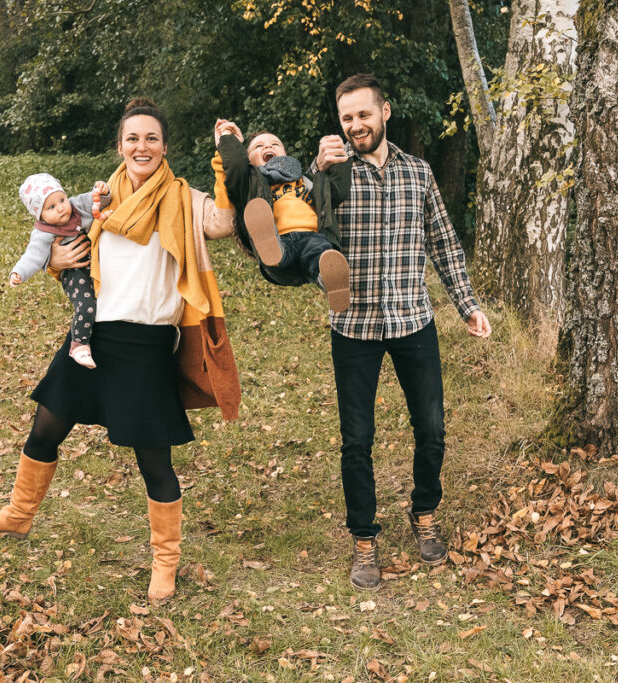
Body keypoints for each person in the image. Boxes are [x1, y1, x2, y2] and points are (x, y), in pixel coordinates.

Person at [0, 99, 240, 603]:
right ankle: (19, 515)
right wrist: (53, 259)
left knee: (154, 459)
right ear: (120, 146)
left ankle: (165, 562)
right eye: (132, 138)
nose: (142, 146)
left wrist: (227, 161)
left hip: (146, 343)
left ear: (164, 146)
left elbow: (223, 223)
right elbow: (67, 249)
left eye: (151, 138)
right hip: (92, 336)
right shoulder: (98, 197)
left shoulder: (183, 197)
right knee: (47, 424)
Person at [313, 74, 492, 590]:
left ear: (384, 112)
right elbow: (298, 223)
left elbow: (443, 241)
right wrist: (316, 174)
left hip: (413, 319)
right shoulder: (331, 174)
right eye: (346, 118)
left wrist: (467, 305)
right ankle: (365, 540)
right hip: (353, 325)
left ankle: (425, 512)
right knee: (357, 440)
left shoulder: (418, 173)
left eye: (363, 115)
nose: (355, 126)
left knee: (432, 429)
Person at [211, 119, 352, 312]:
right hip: (278, 243)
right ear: (249, 160)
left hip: (312, 237)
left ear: (285, 154)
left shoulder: (306, 181)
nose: (268, 146)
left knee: (321, 255)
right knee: (277, 249)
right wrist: (228, 138)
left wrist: (339, 157)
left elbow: (336, 192)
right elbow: (235, 164)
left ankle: (330, 281)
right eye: (258, 146)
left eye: (275, 144)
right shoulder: (249, 183)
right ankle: (271, 247)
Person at [10, 174, 112, 369]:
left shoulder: (76, 206)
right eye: (51, 207)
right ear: (39, 215)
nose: (61, 208)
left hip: (95, 264)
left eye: (62, 200)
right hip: (73, 274)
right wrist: (19, 272)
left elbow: (99, 200)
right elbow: (33, 255)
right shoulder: (44, 232)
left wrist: (103, 191)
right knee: (86, 305)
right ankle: (79, 345)